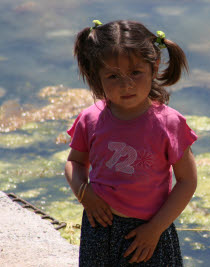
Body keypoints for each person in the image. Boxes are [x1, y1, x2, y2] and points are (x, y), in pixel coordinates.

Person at [64, 19, 197, 266]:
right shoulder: (90, 118)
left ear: (154, 67)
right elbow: (74, 162)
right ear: (96, 75)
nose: (126, 85)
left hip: (149, 232)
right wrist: (84, 193)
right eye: (113, 76)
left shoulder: (169, 123)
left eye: (136, 72)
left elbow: (187, 181)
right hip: (99, 227)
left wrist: (156, 228)